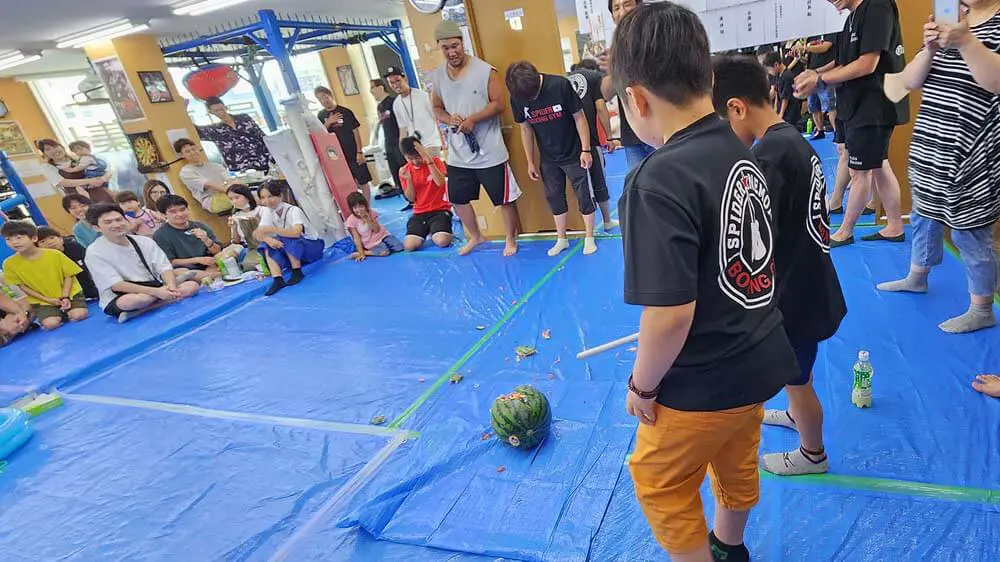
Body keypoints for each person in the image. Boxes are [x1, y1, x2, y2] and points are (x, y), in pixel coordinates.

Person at [611, 5, 799, 561]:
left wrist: (643, 386)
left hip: (703, 380)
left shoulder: (655, 178)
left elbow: (669, 314)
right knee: (736, 458)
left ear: (637, 100)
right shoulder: (742, 152)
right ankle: (730, 545)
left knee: (659, 479)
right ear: (709, 81)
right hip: (760, 359)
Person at [712, 55, 848, 476]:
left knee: (799, 382)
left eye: (724, 121)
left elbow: (755, 240)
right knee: (797, 377)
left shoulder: (768, 156)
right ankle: (795, 416)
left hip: (796, 294)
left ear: (737, 107)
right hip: (810, 281)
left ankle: (813, 454)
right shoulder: (791, 139)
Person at [877, 0, 1000, 334]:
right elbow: (910, 81)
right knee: (923, 214)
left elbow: (996, 80)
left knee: (970, 230)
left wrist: (967, 42)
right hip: (932, 142)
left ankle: (982, 307)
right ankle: (918, 275)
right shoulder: (956, 19)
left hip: (973, 149)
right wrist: (930, 47)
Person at [795, 0, 908, 247]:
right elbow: (842, 62)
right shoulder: (850, 19)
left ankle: (844, 231)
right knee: (877, 164)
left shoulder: (877, 6)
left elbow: (867, 63)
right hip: (856, 104)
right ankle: (895, 226)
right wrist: (813, 75)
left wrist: (820, 80)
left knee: (861, 171)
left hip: (874, 105)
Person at [431, 19, 522, 257]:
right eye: (446, 48)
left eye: (455, 46)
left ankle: (510, 238)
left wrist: (474, 119)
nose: (452, 52)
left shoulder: (485, 70)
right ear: (440, 48)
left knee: (504, 198)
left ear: (463, 43)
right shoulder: (438, 76)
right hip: (458, 152)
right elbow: (436, 108)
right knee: (458, 198)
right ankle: (476, 235)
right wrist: (449, 118)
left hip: (490, 150)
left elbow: (500, 104)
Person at [506, 61, 603, 257]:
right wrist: (530, 161)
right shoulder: (517, 96)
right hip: (548, 157)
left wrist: (586, 150)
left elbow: (580, 117)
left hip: (574, 151)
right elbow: (525, 128)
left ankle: (589, 237)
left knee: (584, 194)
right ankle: (561, 239)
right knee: (554, 196)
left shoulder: (560, 85)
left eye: (533, 96)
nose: (531, 100)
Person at [84, 203, 200, 323]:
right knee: (132, 301)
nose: (116, 225)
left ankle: (144, 309)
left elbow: (164, 267)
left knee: (192, 286)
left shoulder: (144, 241)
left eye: (119, 219)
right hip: (122, 295)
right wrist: (158, 292)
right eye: (108, 222)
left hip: (153, 285)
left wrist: (171, 285)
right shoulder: (94, 252)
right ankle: (158, 300)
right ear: (96, 227)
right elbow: (117, 285)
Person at [598, 0, 657, 171]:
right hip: (632, 135)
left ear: (639, 5)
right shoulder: (615, 50)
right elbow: (605, 93)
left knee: (667, 188)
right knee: (638, 190)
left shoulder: (654, 36)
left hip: (661, 129)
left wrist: (625, 63)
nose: (622, 11)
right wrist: (616, 68)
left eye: (627, 4)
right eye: (616, 8)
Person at [1, 221, 89, 330]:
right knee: (50, 324)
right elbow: (22, 286)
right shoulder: (9, 263)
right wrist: (47, 299)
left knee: (79, 315)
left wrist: (65, 296)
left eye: (19, 237)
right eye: (8, 239)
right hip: (43, 301)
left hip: (70, 294)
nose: (14, 242)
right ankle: (55, 314)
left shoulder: (54, 254)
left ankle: (67, 311)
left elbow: (69, 276)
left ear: (33, 238)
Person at [567, 61, 621, 232]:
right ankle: (606, 220)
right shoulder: (594, 77)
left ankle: (587, 230)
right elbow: (601, 107)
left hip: (570, 144)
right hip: (590, 140)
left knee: (582, 186)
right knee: (599, 179)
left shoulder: (565, 80)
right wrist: (610, 138)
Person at [253, 181, 324, 296]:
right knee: (265, 245)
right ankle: (277, 279)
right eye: (263, 198)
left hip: (311, 248)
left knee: (286, 237)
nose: (267, 201)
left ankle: (297, 271)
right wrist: (268, 240)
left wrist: (272, 230)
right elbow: (257, 234)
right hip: (294, 251)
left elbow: (296, 233)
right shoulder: (268, 212)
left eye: (270, 196)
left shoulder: (293, 210)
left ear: (280, 195)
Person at [315, 86, 374, 202]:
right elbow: (320, 136)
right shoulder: (320, 116)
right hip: (336, 156)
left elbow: (356, 132)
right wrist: (328, 123)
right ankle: (357, 208)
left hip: (352, 152)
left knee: (362, 180)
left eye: (325, 97)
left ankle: (367, 207)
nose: (324, 101)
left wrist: (359, 151)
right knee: (349, 183)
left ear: (330, 96)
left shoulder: (345, 112)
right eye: (320, 99)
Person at [399, 135, 454, 251]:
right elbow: (411, 199)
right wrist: (409, 180)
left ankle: (439, 230)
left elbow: (440, 183)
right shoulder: (404, 170)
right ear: (405, 157)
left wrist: (428, 160)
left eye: (418, 157)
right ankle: (429, 229)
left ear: (422, 151)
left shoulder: (435, 161)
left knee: (442, 241)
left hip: (440, 209)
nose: (415, 161)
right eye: (410, 158)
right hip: (420, 212)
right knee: (409, 246)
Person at [153, 194, 223, 282]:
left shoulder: (200, 226)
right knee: (183, 272)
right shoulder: (160, 235)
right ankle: (217, 275)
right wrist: (197, 260)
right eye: (173, 212)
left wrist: (206, 240)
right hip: (187, 268)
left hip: (210, 263)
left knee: (232, 251)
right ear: (164, 214)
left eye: (182, 209)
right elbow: (170, 262)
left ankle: (210, 276)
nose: (180, 214)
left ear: (188, 209)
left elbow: (218, 251)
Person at [195, 97, 273, 172]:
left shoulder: (244, 118)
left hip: (264, 160)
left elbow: (261, 135)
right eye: (216, 111)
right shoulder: (213, 130)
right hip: (241, 169)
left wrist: (273, 153)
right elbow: (193, 130)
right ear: (211, 112)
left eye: (222, 109)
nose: (221, 112)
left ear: (225, 107)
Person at [385, 67, 444, 157]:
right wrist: (404, 151)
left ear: (405, 78)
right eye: (391, 83)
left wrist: (443, 142)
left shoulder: (422, 96)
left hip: (432, 143)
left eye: (398, 80)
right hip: (414, 148)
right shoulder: (396, 104)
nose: (396, 85)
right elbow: (403, 129)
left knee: (433, 168)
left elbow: (437, 118)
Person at [37, 139, 114, 203]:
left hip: (101, 193)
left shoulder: (80, 158)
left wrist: (102, 179)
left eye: (55, 146)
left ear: (62, 147)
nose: (54, 150)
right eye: (48, 149)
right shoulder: (48, 167)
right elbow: (63, 182)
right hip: (79, 200)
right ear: (45, 154)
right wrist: (90, 180)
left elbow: (107, 170)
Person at [369, 78, 407, 208]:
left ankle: (416, 199)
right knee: (396, 173)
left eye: (372, 88)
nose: (371, 91)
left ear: (380, 87)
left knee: (405, 171)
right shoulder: (380, 106)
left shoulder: (394, 102)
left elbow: (402, 124)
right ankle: (407, 199)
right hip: (389, 144)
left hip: (398, 142)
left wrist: (402, 142)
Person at [36, 226, 99, 301]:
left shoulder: (74, 246)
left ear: (61, 238)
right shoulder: (43, 261)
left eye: (52, 238)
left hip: (93, 289)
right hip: (70, 296)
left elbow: (93, 265)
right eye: (42, 241)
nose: (49, 242)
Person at [175, 138, 235, 215]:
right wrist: (232, 192)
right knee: (243, 200)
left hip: (228, 193)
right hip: (212, 200)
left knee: (249, 196)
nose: (193, 153)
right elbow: (209, 185)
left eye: (194, 149)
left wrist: (236, 188)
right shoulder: (186, 172)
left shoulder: (215, 165)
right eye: (187, 151)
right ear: (181, 155)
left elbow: (230, 179)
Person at [345, 191, 403, 262]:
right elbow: (356, 238)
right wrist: (361, 253)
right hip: (370, 241)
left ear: (365, 205)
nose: (359, 210)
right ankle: (365, 252)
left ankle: (382, 247)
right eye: (355, 207)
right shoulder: (351, 220)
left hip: (382, 235)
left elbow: (377, 230)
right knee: (385, 252)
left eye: (361, 206)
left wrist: (368, 219)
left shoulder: (371, 212)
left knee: (399, 247)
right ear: (352, 209)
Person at [803, 34, 840, 140]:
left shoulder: (829, 33)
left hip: (826, 73)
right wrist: (799, 57)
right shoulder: (811, 37)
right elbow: (809, 58)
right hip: (812, 74)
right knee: (813, 105)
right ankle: (820, 130)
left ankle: (837, 131)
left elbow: (825, 47)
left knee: (829, 105)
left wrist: (804, 47)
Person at [227, 184, 263, 270]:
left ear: (247, 197)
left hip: (267, 243)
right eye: (231, 199)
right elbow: (236, 241)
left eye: (237, 197)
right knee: (248, 265)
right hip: (253, 248)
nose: (234, 201)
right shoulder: (236, 216)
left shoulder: (261, 210)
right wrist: (234, 227)